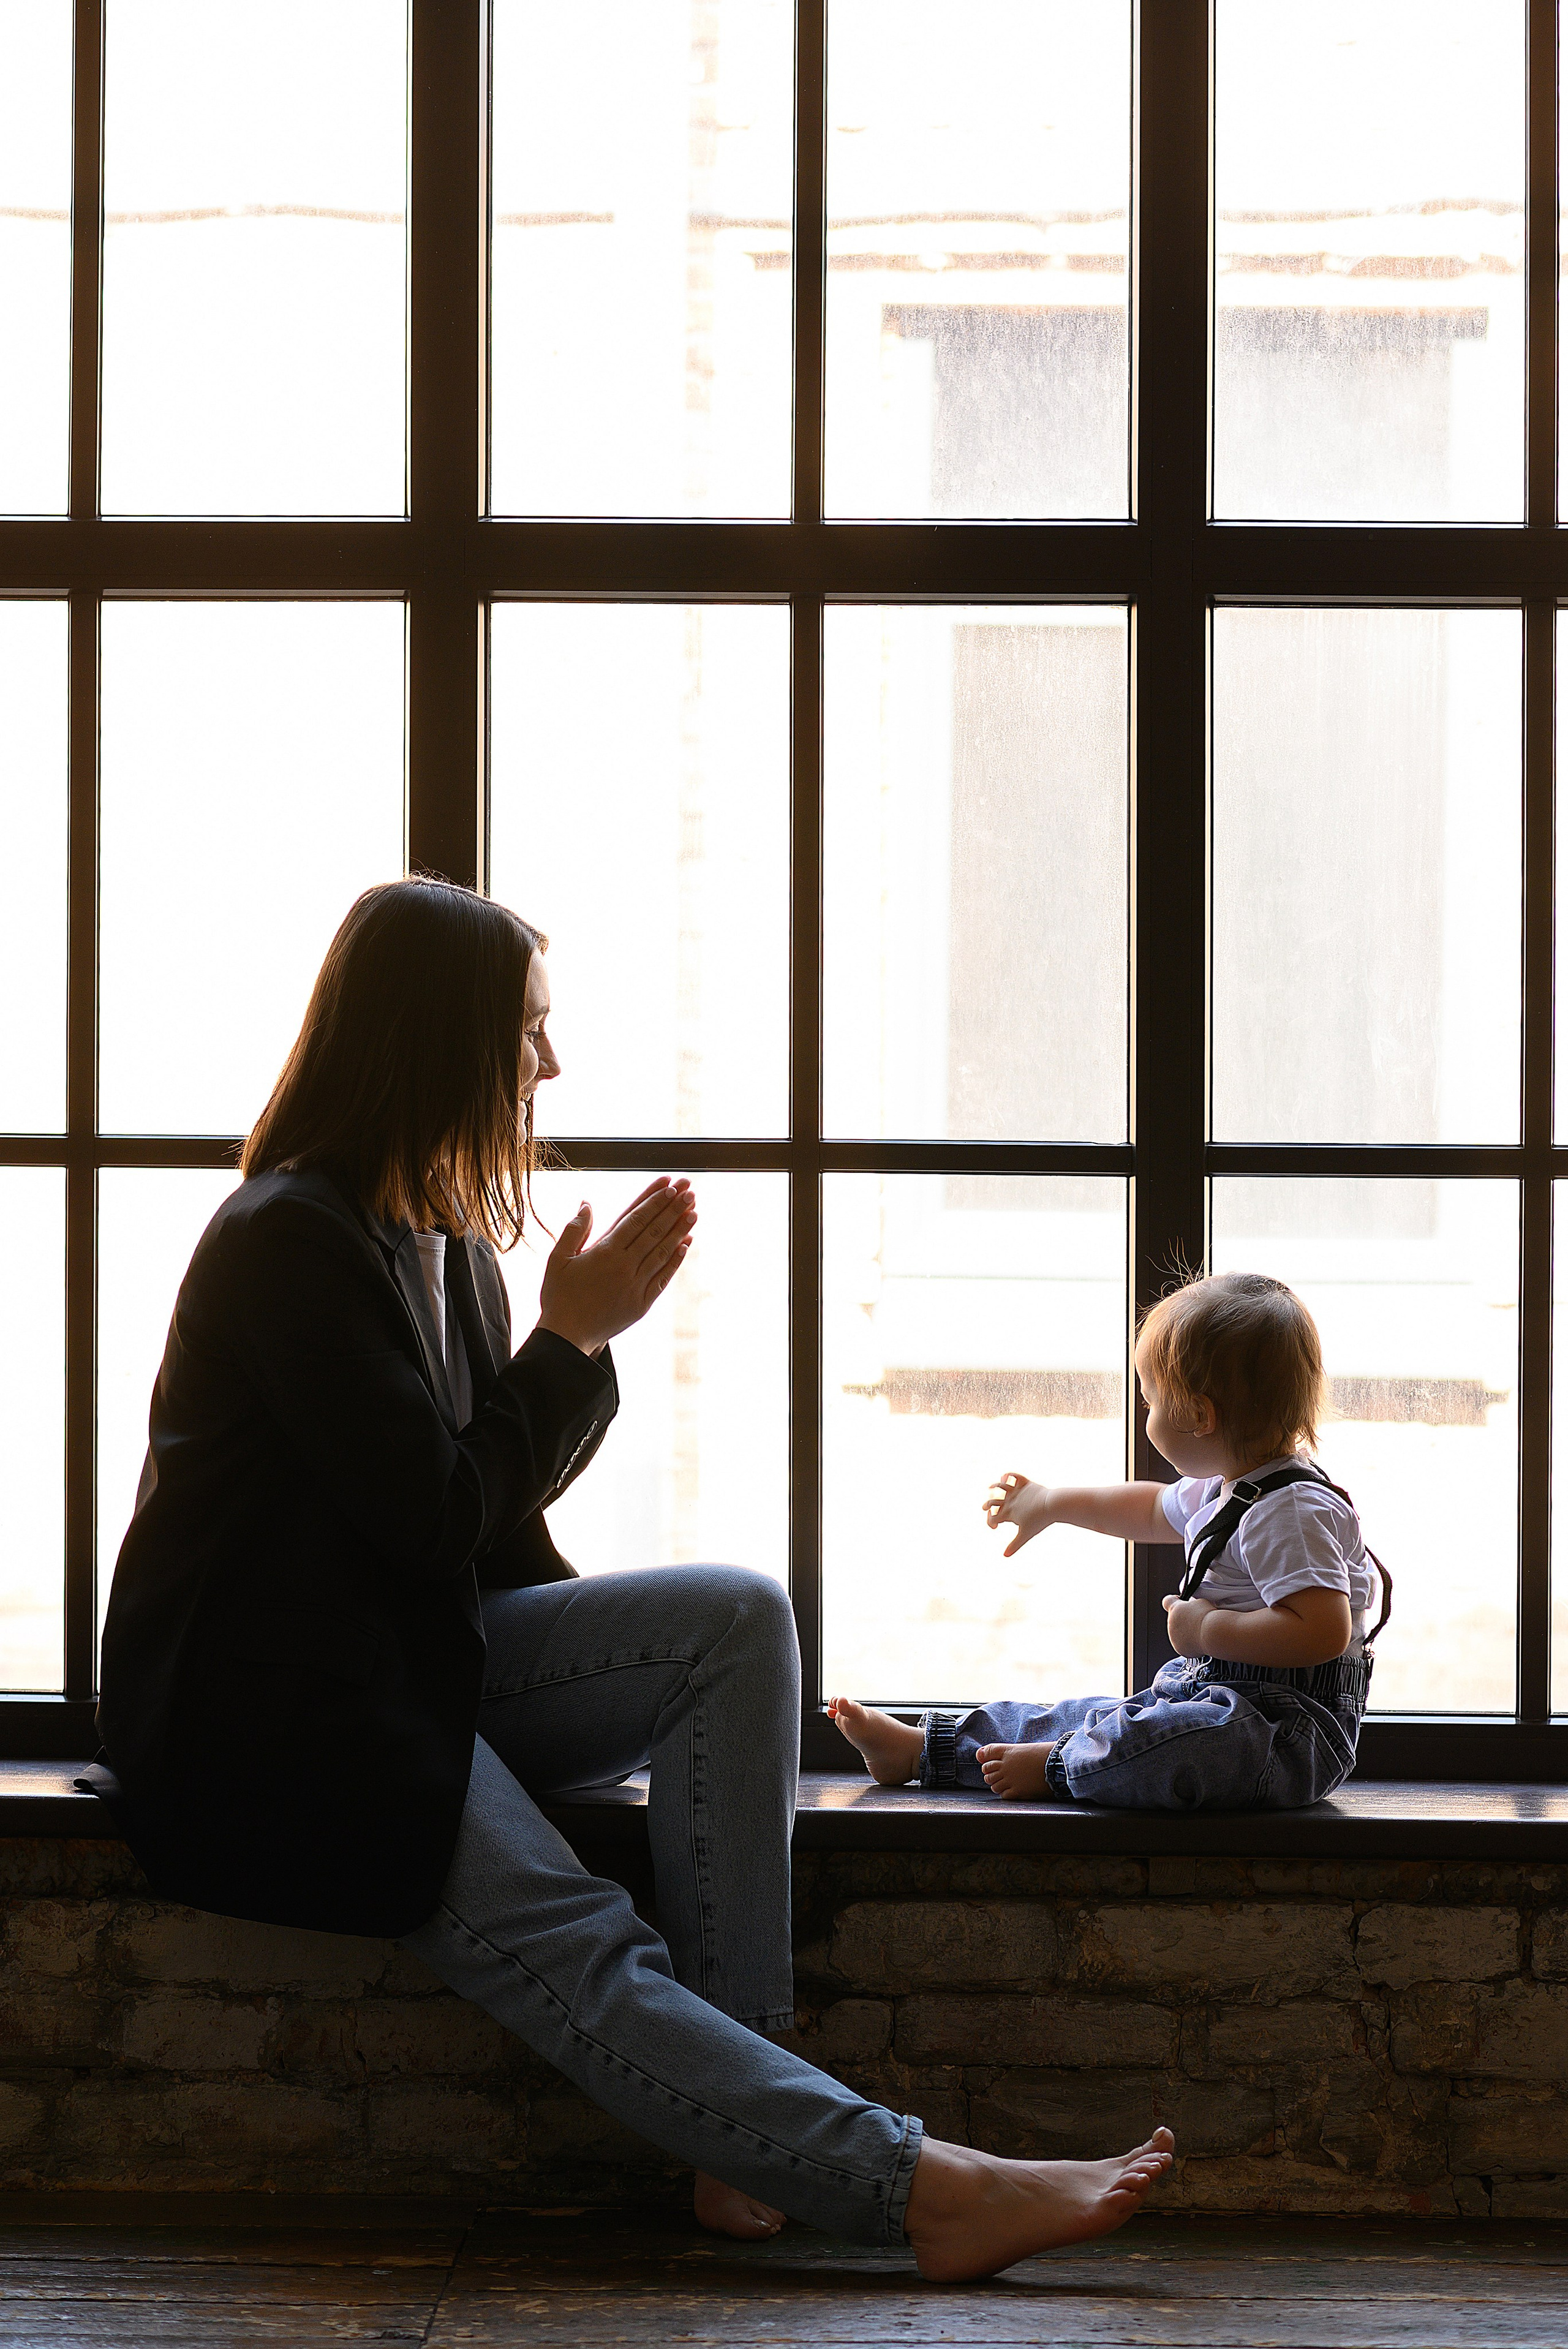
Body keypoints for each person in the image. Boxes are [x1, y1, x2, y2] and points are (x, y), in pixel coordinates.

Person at [84, 877, 1172, 2280]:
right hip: (277, 1714)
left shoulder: (446, 1239)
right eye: (527, 1028)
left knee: (733, 1615)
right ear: (437, 1040)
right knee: (578, 1925)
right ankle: (916, 2182)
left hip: (402, 1653)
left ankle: (743, 2132)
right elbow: (427, 1515)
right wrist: (569, 1340)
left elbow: (486, 1526)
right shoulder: (286, 1236)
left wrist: (570, 1346)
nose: (548, 1061)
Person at [831, 1270, 1389, 1811]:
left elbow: (1321, 1630)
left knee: (1168, 1742)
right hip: (1217, 1697)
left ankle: (1057, 1768)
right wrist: (1051, 1503)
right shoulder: (1229, 1490)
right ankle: (923, 1749)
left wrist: (1206, 1628)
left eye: (1150, 1401)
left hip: (1286, 1733)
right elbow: (1147, 1507)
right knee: (1089, 1716)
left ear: (1199, 1415)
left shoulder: (1291, 1509)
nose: (1146, 1415)